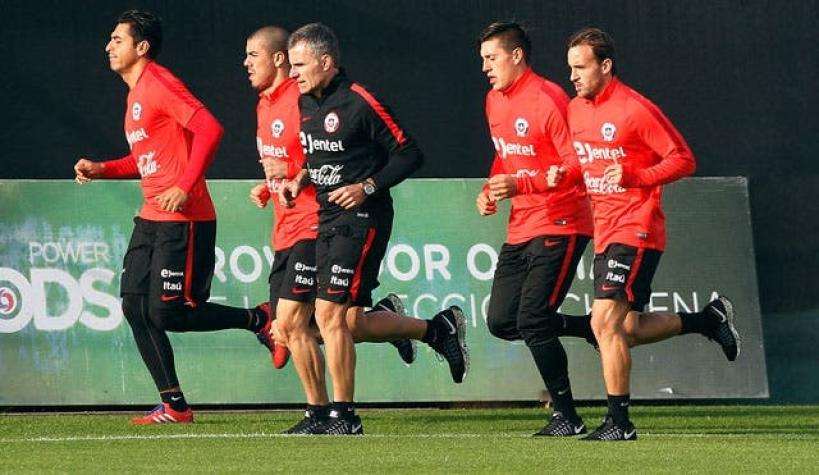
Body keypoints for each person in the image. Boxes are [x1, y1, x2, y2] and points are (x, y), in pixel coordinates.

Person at [252, 23, 470, 435]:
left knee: (329, 314)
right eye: (292, 65)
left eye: (300, 65)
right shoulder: (305, 105)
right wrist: (299, 180)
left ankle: (344, 415)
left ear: (326, 62)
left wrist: (367, 186)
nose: (294, 74)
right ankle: (429, 331)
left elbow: (410, 153)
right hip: (325, 217)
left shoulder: (360, 101)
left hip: (363, 219)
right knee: (330, 320)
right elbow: (319, 159)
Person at [73, 10, 283, 425]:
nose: (108, 46)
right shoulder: (134, 96)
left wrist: (185, 186)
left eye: (118, 40)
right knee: (134, 307)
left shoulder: (159, 84)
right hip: (151, 217)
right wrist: (102, 169)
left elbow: (210, 128)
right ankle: (175, 405)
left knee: (170, 312)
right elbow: (146, 160)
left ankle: (259, 318)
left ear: (142, 47)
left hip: (184, 218)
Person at [552, 27, 742, 440]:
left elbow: (683, 159)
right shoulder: (575, 109)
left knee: (604, 323)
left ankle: (620, 424)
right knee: (626, 330)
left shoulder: (635, 109)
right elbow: (581, 166)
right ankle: (707, 320)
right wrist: (561, 174)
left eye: (580, 67)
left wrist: (639, 175)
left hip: (637, 227)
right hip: (605, 229)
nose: (573, 76)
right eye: (570, 68)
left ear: (605, 65)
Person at [476, 22, 597, 437]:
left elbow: (578, 165)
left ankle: (568, 416)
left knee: (532, 318)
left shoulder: (549, 98)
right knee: (501, 321)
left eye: (491, 58)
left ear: (516, 56)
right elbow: (506, 157)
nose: (486, 68)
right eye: (483, 60)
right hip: (521, 225)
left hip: (561, 221)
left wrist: (523, 184)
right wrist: (491, 188)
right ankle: (588, 327)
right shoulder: (493, 100)